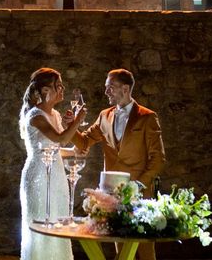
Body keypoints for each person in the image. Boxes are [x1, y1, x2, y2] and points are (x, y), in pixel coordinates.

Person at [72, 68, 165, 260]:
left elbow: (158, 159)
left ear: (125, 88)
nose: (106, 92)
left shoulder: (147, 117)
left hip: (141, 193)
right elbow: (83, 143)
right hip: (111, 195)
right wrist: (70, 125)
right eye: (107, 88)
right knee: (121, 251)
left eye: (110, 88)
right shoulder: (104, 116)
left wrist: (138, 185)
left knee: (146, 251)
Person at [19, 67, 87, 260]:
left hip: (57, 176)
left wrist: (75, 150)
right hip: (39, 177)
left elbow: (57, 149)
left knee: (58, 224)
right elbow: (61, 139)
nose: (62, 89)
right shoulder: (36, 116)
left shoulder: (55, 115)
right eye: (58, 86)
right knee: (41, 226)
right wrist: (77, 121)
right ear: (45, 91)